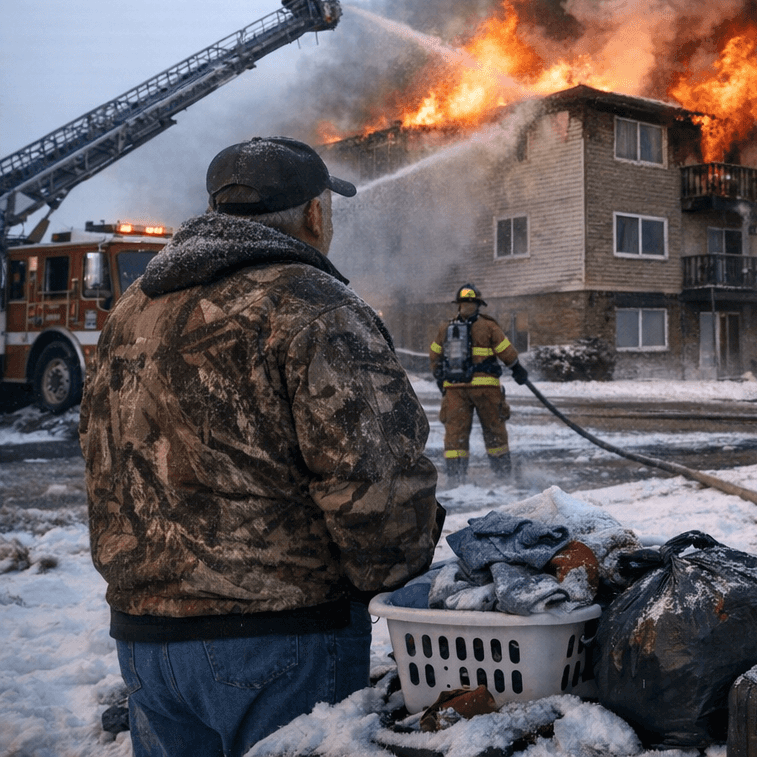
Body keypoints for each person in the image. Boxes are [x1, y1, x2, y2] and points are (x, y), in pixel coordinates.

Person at [79, 136, 443, 757]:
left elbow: (100, 453)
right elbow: (372, 478)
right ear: (315, 214)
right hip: (282, 638)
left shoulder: (132, 310)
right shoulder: (313, 304)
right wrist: (396, 577)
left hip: (144, 643)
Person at [430, 283, 527, 486]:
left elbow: (434, 355)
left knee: (455, 434)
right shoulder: (489, 326)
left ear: (458, 304)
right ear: (479, 304)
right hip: (486, 389)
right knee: (494, 431)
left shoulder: (446, 328)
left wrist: (441, 379)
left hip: (455, 388)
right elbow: (506, 350)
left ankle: (456, 478)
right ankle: (502, 475)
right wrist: (517, 368)